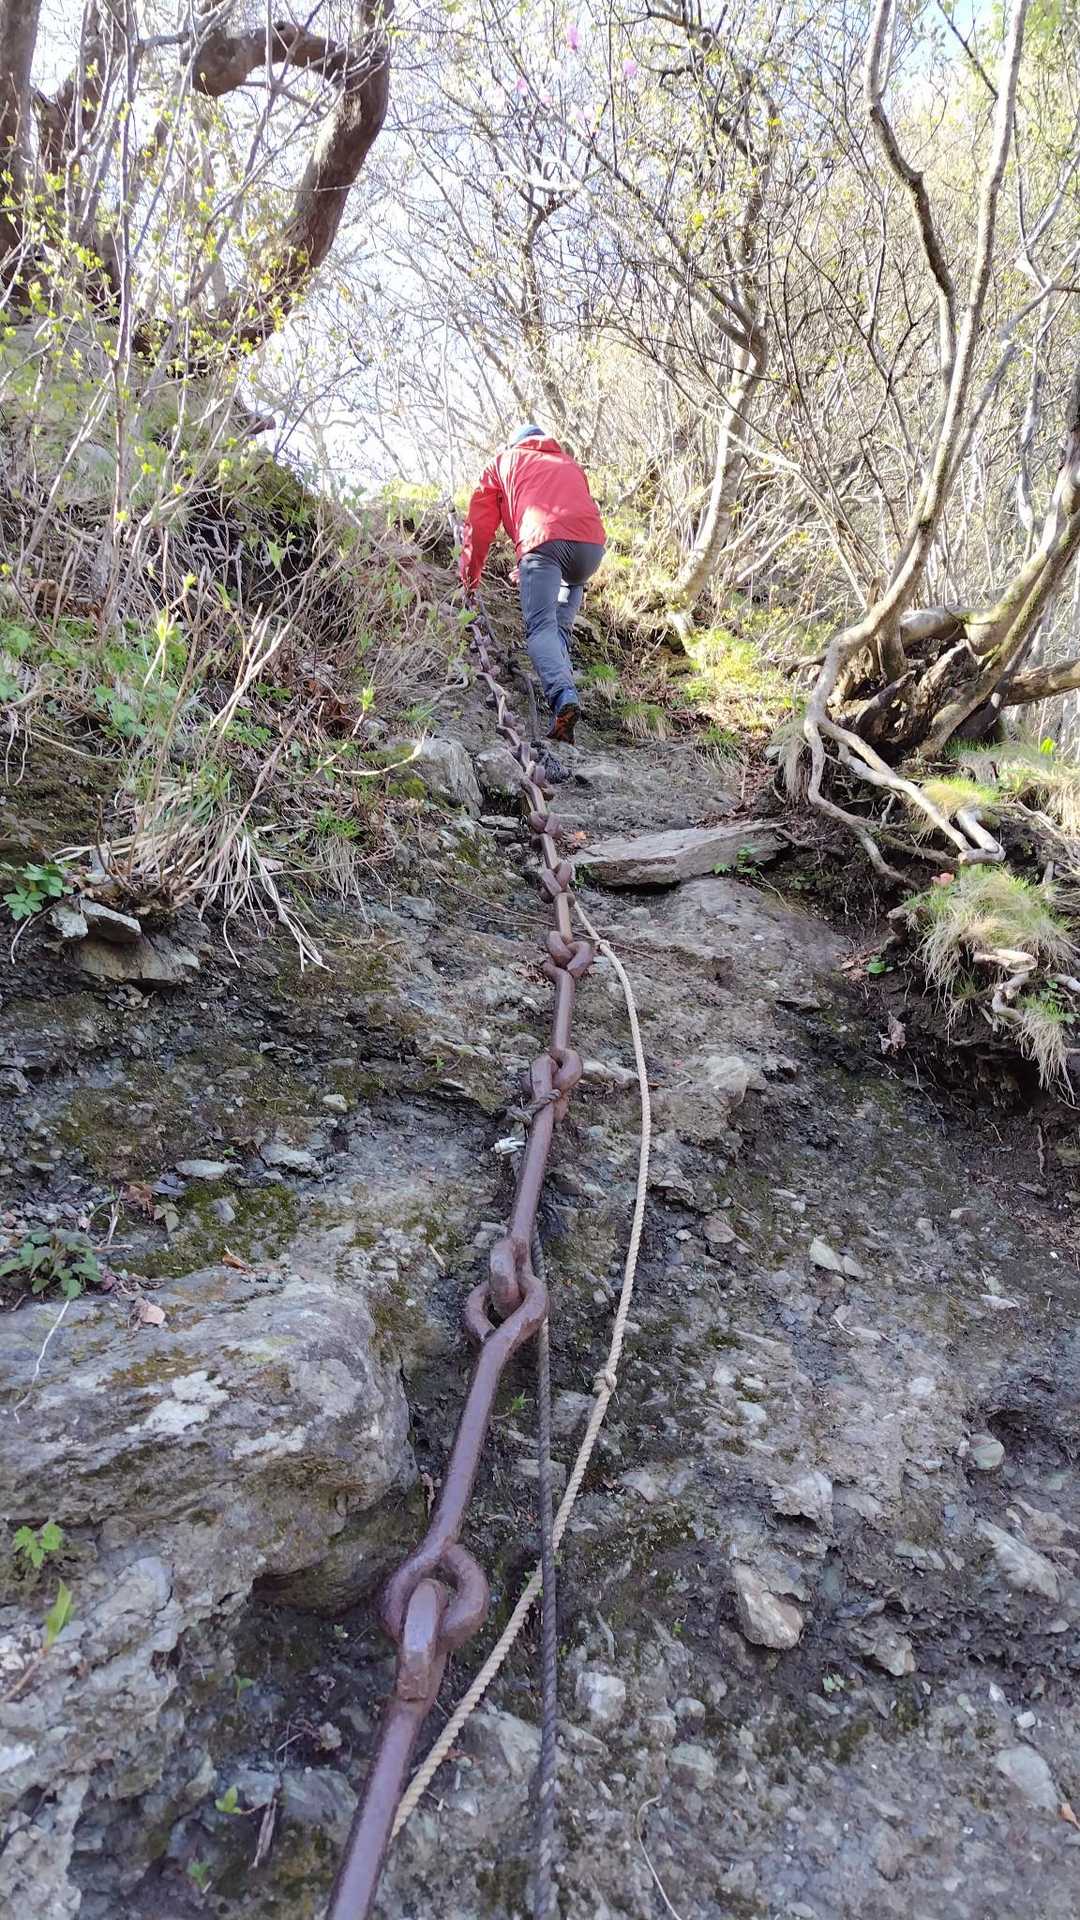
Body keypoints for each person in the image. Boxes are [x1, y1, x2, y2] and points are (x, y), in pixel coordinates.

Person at [459, 425, 606, 743]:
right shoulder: (568, 463)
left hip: (544, 546)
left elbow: (480, 527)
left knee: (540, 628)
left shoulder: (503, 461)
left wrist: (470, 578)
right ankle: (565, 702)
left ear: (515, 443)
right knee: (558, 630)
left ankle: (564, 696)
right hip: (590, 551)